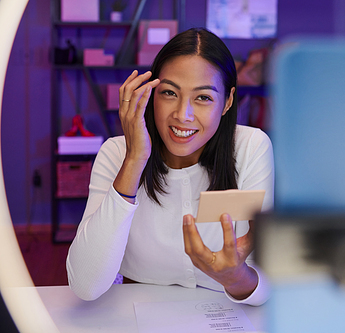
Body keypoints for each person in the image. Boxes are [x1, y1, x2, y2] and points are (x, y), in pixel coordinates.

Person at [66, 28, 274, 306]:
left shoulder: (250, 148)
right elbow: (85, 285)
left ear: (227, 102)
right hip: (133, 313)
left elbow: (267, 276)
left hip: (225, 314)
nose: (182, 115)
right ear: (151, 95)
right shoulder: (116, 153)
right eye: (169, 93)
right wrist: (135, 159)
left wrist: (236, 277)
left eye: (203, 97)